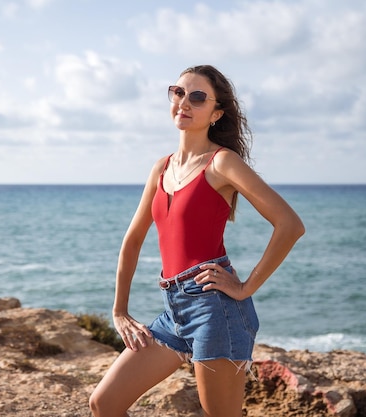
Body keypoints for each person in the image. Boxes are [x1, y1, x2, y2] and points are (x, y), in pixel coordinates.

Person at [89, 65, 305, 417]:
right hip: (173, 309)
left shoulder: (222, 164)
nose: (184, 102)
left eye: (198, 97)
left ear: (216, 113)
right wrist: (120, 310)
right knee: (104, 403)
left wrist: (245, 287)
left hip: (215, 311)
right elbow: (133, 241)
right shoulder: (161, 168)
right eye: (178, 92)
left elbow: (289, 225)